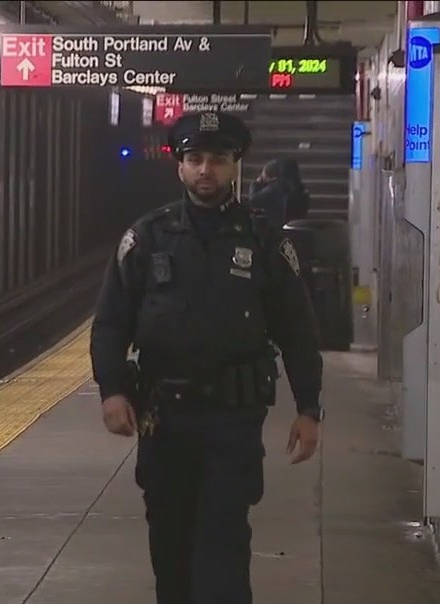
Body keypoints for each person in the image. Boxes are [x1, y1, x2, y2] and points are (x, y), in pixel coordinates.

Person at [89, 111, 324, 604]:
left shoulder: (263, 241)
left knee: (223, 551)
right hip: (164, 417)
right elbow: (111, 322)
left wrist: (309, 407)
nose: (205, 170)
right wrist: (111, 390)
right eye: (195, 159)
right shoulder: (147, 238)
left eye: (218, 160)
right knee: (170, 550)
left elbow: (297, 328)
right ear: (179, 167)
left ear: (236, 165)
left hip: (232, 420)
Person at [246, 157, 311, 228]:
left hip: (277, 230)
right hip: (296, 228)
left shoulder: (276, 188)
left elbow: (254, 201)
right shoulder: (300, 188)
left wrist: (255, 184)